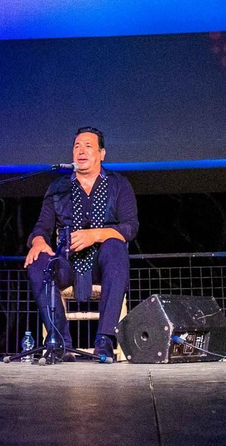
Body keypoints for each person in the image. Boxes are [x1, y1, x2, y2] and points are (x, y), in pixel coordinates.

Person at [23, 127, 139, 363]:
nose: (81, 151)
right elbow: (42, 227)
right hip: (67, 262)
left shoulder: (119, 184)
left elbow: (130, 227)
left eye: (88, 146)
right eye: (77, 146)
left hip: (102, 263)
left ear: (102, 153)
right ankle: (60, 343)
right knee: (37, 263)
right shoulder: (59, 187)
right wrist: (37, 242)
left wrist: (95, 235)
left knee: (116, 247)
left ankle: (104, 341)